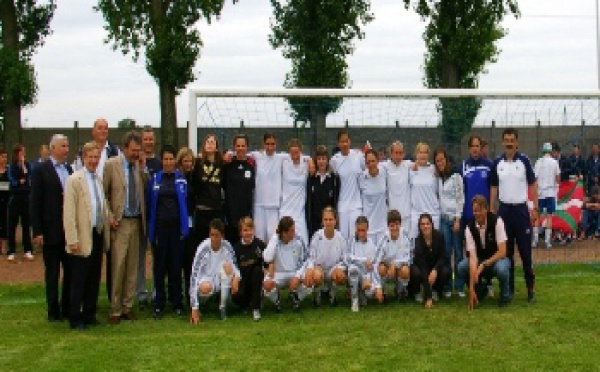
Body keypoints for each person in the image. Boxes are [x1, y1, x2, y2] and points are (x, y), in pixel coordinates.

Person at [63, 141, 111, 329]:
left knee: (93, 277)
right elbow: (69, 213)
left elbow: (101, 205)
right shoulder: (74, 180)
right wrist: (72, 239)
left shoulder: (98, 180)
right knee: (79, 279)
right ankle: (75, 316)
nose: (93, 161)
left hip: (97, 233)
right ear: (83, 158)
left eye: (96, 158)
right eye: (90, 157)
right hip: (82, 236)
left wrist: (109, 218)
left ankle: (90, 313)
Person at [103, 131, 147, 325]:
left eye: (138, 150)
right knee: (118, 266)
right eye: (133, 150)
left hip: (136, 221)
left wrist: (144, 169)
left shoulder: (138, 166)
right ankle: (115, 308)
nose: (136, 154)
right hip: (119, 223)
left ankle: (128, 306)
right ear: (125, 148)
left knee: (132, 267)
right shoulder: (111, 165)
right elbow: (103, 194)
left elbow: (144, 189)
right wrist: (110, 217)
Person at [490, 128, 538, 303]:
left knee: (526, 254)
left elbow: (533, 185)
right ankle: (508, 289)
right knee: (507, 253)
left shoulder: (524, 161)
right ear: (502, 143)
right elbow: (493, 187)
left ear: (517, 142)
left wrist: (536, 208)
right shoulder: (497, 163)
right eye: (506, 139)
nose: (509, 142)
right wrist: (491, 208)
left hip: (521, 211)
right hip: (504, 212)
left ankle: (530, 289)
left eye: (512, 139)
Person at [30, 134, 73, 322]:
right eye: (63, 146)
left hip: (68, 231)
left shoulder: (69, 169)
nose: (66, 149)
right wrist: (37, 230)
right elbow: (35, 201)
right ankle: (53, 311)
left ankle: (66, 307)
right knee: (52, 273)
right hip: (50, 230)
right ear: (53, 148)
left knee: (70, 272)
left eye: (67, 145)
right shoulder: (41, 170)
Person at [147, 145, 190, 319]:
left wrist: (184, 228)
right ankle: (159, 303)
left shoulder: (181, 179)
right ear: (161, 161)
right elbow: (150, 205)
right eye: (165, 159)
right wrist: (152, 230)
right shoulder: (155, 179)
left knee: (175, 266)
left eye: (171, 159)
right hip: (160, 230)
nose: (168, 162)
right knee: (159, 267)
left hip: (176, 230)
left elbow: (186, 202)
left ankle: (177, 302)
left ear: (175, 161)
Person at [457, 195, 511, 309]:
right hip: (480, 260)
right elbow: (472, 258)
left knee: (502, 269)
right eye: (475, 211)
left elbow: (503, 251)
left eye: (480, 210)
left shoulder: (497, 221)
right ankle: (479, 290)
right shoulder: (469, 228)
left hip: (497, 259)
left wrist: (484, 264)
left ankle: (505, 295)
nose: (477, 214)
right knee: (462, 267)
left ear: (486, 209)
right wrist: (471, 287)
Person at [189, 218, 240, 324]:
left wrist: (236, 277)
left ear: (222, 235)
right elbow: (194, 277)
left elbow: (235, 266)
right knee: (206, 288)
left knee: (228, 268)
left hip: (220, 279)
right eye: (212, 235)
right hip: (205, 280)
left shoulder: (227, 246)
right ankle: (203, 304)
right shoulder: (203, 249)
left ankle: (222, 307)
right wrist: (194, 307)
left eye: (217, 235)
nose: (214, 238)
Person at [91, 118, 120, 302]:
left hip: (109, 207)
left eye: (106, 128)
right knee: (92, 258)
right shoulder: (86, 151)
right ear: (93, 131)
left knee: (112, 258)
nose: (103, 131)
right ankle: (89, 299)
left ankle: (113, 298)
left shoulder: (113, 151)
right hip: (93, 208)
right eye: (100, 128)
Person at [262, 216, 311, 313]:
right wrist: (275, 238)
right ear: (284, 232)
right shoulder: (275, 240)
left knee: (310, 279)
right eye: (292, 230)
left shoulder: (298, 240)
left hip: (294, 272)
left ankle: (296, 298)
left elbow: (305, 260)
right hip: (278, 274)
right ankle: (277, 300)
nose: (294, 232)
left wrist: (297, 276)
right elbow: (267, 258)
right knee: (267, 285)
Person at [434, 147, 465, 298]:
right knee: (446, 253)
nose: (440, 162)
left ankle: (459, 287)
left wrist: (458, 219)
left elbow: (460, 198)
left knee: (458, 254)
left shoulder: (456, 175)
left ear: (446, 159)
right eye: (437, 160)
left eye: (442, 159)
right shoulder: (438, 178)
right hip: (444, 220)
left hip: (455, 220)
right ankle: (447, 287)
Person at [137, 125, 161, 309]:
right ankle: (141, 294)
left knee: (156, 257)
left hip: (155, 217)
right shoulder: (135, 162)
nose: (148, 142)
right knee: (139, 257)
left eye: (151, 139)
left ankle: (155, 292)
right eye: (145, 139)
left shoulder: (160, 163)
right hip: (139, 216)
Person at [305, 207, 347, 307]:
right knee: (316, 276)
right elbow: (311, 257)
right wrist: (311, 268)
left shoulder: (340, 237)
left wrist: (339, 268)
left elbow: (345, 259)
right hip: (320, 269)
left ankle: (333, 295)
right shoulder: (316, 236)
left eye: (330, 219)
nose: (328, 222)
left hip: (333, 269)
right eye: (326, 219)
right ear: (322, 221)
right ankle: (317, 296)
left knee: (341, 276)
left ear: (335, 221)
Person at [329, 130, 365, 241]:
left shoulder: (358, 156)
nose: (344, 144)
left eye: (346, 141)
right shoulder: (334, 161)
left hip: (356, 204)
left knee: (355, 235)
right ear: (338, 143)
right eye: (342, 141)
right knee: (343, 236)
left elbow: (368, 167)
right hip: (342, 205)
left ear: (350, 142)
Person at [250, 133, 286, 242]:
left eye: (272, 144)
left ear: (276, 144)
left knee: (273, 238)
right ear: (263, 144)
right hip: (259, 205)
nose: (270, 147)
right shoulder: (257, 156)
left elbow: (299, 155)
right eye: (267, 144)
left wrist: (309, 160)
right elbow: (241, 153)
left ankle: (272, 259)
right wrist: (228, 153)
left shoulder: (281, 157)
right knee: (259, 237)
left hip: (274, 205)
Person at [410, 213, 450, 309]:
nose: (425, 226)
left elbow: (443, 257)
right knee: (415, 273)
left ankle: (436, 291)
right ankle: (417, 291)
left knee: (446, 271)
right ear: (419, 227)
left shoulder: (439, 236)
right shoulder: (418, 241)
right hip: (422, 268)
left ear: (432, 224)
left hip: (435, 266)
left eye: (428, 223)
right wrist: (428, 298)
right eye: (422, 224)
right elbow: (423, 266)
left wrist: (435, 270)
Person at [222, 134, 255, 244]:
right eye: (238, 146)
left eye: (243, 146)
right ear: (234, 147)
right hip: (230, 216)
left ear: (247, 147)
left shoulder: (252, 166)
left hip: (246, 215)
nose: (240, 148)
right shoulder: (227, 165)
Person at [232, 217, 266, 321]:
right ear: (240, 232)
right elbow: (234, 266)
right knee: (236, 295)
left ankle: (256, 308)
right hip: (243, 280)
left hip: (256, 280)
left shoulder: (259, 245)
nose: (248, 233)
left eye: (250, 230)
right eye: (245, 230)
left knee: (257, 270)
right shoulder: (236, 248)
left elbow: (268, 263)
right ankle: (245, 304)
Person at [346, 216, 383, 312]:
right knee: (353, 269)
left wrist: (374, 284)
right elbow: (348, 259)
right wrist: (363, 260)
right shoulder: (351, 241)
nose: (361, 233)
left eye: (363, 230)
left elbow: (373, 266)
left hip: (366, 276)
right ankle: (354, 299)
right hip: (352, 274)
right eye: (359, 230)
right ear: (356, 229)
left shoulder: (371, 245)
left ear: (367, 229)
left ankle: (362, 294)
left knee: (371, 292)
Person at [375, 209, 411, 301]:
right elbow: (376, 261)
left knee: (405, 270)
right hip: (387, 270)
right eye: (392, 225)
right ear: (388, 226)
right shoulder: (384, 239)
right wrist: (377, 286)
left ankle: (401, 291)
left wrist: (394, 264)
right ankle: (384, 292)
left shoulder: (405, 236)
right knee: (381, 268)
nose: (395, 228)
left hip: (399, 269)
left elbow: (409, 258)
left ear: (400, 224)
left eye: (397, 225)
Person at [279, 138, 310, 245]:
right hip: (285, 209)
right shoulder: (283, 161)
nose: (294, 154)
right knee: (284, 242)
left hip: (299, 212)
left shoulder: (306, 163)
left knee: (303, 242)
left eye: (297, 152)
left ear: (301, 151)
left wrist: (309, 159)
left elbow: (310, 158)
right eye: (292, 152)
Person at [7, 144, 33, 261]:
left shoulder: (27, 165)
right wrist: (19, 182)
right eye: (22, 152)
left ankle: (27, 250)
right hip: (15, 198)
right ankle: (11, 250)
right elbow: (12, 181)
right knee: (12, 225)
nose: (24, 154)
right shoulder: (11, 167)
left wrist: (23, 166)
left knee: (26, 225)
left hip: (25, 198)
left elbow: (29, 178)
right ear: (17, 153)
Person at [177, 147, 196, 305]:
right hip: (180, 223)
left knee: (191, 261)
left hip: (192, 223)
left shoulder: (194, 177)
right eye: (186, 161)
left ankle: (191, 293)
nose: (188, 164)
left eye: (190, 161)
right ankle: (178, 296)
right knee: (180, 260)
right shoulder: (177, 178)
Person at [306, 145, 340, 239]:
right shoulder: (311, 178)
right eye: (319, 159)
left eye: (324, 158)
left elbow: (335, 201)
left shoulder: (334, 178)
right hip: (314, 223)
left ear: (327, 160)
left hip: (329, 222)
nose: (321, 161)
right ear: (315, 160)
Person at [408, 142, 440, 239]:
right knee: (414, 247)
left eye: (425, 152)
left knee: (434, 246)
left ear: (428, 154)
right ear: (416, 154)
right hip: (416, 214)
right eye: (420, 152)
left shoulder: (434, 169)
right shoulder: (410, 170)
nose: (423, 155)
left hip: (433, 213)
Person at [533, 143, 561, 249]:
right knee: (549, 216)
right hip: (550, 193)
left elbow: (534, 178)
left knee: (537, 215)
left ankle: (535, 241)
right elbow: (558, 178)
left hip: (540, 193)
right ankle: (547, 242)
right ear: (550, 151)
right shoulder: (555, 162)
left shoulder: (538, 162)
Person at [383, 141, 412, 236]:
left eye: (401, 153)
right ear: (391, 154)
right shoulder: (384, 166)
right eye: (396, 153)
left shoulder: (408, 165)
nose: (398, 156)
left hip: (406, 214)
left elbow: (421, 163)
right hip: (392, 214)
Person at [358, 149, 388, 244]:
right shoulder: (361, 177)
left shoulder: (384, 171)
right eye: (368, 162)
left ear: (378, 161)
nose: (371, 164)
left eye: (373, 161)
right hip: (368, 226)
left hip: (382, 225)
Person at [0, 149, 10, 255]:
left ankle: (4, 245)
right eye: (2, 156)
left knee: (5, 222)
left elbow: (11, 184)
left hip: (6, 200)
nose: (4, 159)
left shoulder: (9, 170)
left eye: (5, 157)